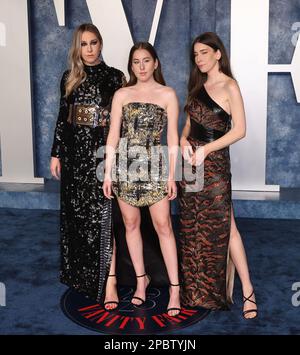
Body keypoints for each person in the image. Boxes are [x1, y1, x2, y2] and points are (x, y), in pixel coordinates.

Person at [179, 32, 258, 319]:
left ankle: (248, 292)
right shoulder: (197, 85)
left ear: (217, 54)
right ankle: (198, 292)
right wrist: (182, 140)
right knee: (193, 227)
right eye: (195, 54)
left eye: (203, 52)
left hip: (213, 165)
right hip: (189, 164)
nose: (198, 58)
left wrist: (206, 150)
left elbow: (240, 130)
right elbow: (188, 124)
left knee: (227, 226)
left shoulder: (229, 85)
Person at [50, 23, 125, 311]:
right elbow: (61, 117)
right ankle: (81, 275)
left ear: (101, 44)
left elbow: (121, 121)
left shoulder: (115, 77)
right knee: (76, 216)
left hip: (100, 153)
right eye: (84, 44)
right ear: (77, 48)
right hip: (73, 153)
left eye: (94, 43)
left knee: (103, 217)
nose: (90, 49)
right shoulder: (69, 77)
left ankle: (111, 282)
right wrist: (56, 153)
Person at [103, 42, 181, 316]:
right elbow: (113, 135)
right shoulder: (122, 94)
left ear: (156, 63)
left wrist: (173, 175)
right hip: (126, 165)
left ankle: (175, 289)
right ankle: (141, 282)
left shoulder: (168, 94)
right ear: (131, 66)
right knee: (130, 225)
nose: (142, 66)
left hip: (156, 167)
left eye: (146, 60)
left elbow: (172, 139)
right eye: (136, 62)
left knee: (163, 226)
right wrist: (108, 171)